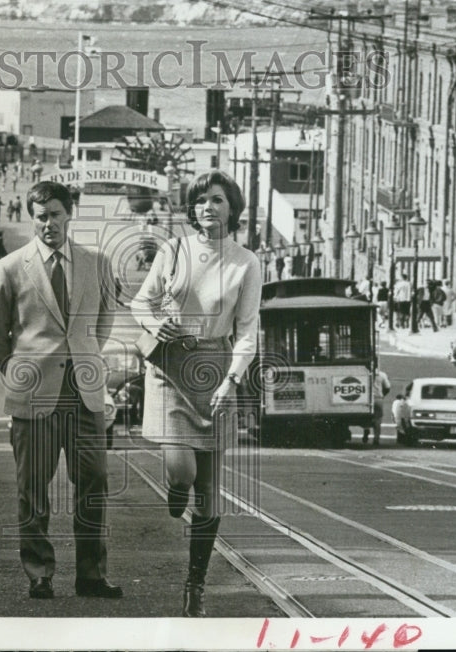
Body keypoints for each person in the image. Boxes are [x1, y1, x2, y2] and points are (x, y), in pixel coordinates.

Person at [0, 181, 120, 602]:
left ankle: (91, 576)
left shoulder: (97, 262)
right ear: (32, 218)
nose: (48, 224)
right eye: (40, 216)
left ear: (69, 213)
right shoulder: (9, 267)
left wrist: (85, 354)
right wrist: (16, 369)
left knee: (93, 485)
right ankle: (39, 573)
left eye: (55, 214)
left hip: (85, 395)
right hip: (33, 396)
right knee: (32, 489)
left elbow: (105, 320)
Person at [131, 169, 261, 617]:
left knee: (208, 491)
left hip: (215, 373)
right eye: (202, 199)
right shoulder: (173, 250)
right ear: (192, 207)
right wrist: (154, 323)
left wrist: (232, 381)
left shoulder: (247, 262)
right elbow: (139, 302)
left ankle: (195, 585)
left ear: (233, 209)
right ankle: (174, 484)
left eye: (219, 199)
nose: (209, 206)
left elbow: (247, 332)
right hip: (170, 366)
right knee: (182, 471)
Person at [363, 369, 391, 446]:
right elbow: (388, 387)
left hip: (366, 398)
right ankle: (376, 438)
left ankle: (366, 429)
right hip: (378, 398)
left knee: (365, 416)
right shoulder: (382, 374)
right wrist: (382, 395)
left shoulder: (364, 372)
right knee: (378, 420)